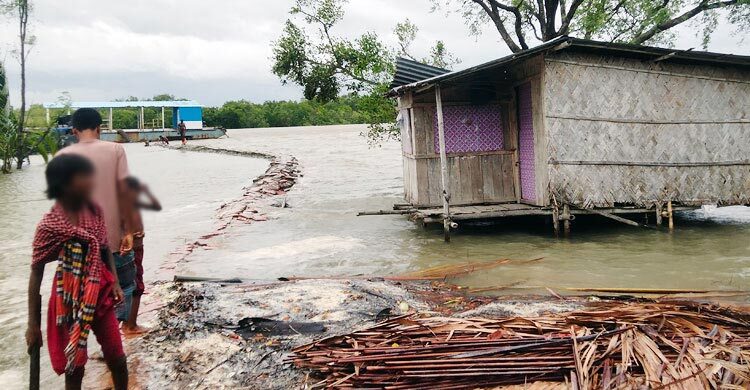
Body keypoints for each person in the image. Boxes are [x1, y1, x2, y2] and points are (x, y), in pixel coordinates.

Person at [26, 154, 128, 389]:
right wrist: (32, 325)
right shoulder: (49, 226)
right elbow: (36, 273)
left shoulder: (94, 211)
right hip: (67, 299)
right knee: (74, 365)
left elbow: (104, 249)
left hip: (100, 290)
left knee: (117, 356)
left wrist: (115, 283)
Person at [56, 108, 137, 331]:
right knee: (124, 285)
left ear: (74, 131)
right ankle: (113, 338)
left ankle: (88, 339)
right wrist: (128, 231)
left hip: (77, 243)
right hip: (112, 238)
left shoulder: (62, 157)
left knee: (84, 291)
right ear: (99, 128)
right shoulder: (115, 150)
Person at [121, 176, 161, 334]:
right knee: (136, 286)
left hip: (135, 250)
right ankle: (131, 325)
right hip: (133, 251)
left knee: (130, 286)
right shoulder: (126, 209)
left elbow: (155, 205)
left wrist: (147, 192)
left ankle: (127, 323)